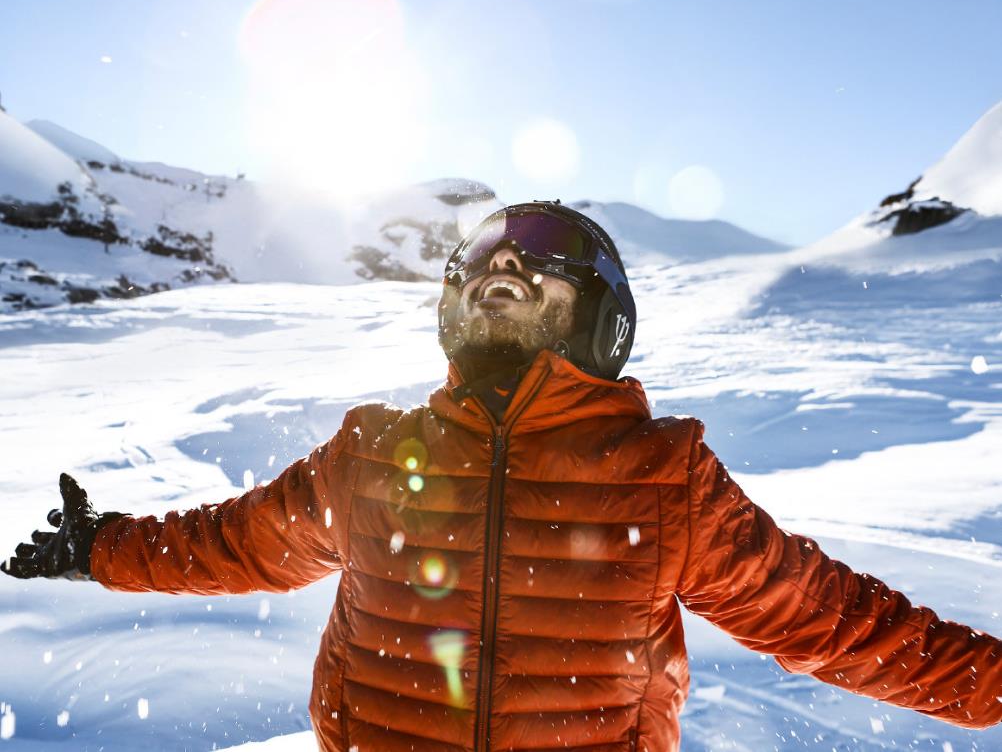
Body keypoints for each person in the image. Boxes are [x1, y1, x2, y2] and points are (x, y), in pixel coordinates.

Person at [4, 201, 1001, 751]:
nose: (504, 267)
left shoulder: (664, 481)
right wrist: (100, 549)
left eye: (545, 258)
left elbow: (841, 624)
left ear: (600, 312)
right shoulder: (371, 456)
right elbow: (238, 545)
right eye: (482, 256)